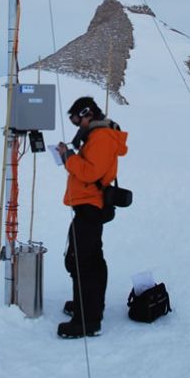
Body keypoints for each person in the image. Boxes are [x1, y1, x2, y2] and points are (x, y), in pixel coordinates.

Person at [56, 96, 128, 339]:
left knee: (84, 263)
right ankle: (89, 306)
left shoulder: (102, 138)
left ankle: (87, 321)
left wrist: (69, 158)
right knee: (87, 259)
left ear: (88, 114)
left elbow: (90, 173)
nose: (78, 126)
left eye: (78, 120)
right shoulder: (97, 137)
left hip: (90, 205)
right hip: (88, 205)